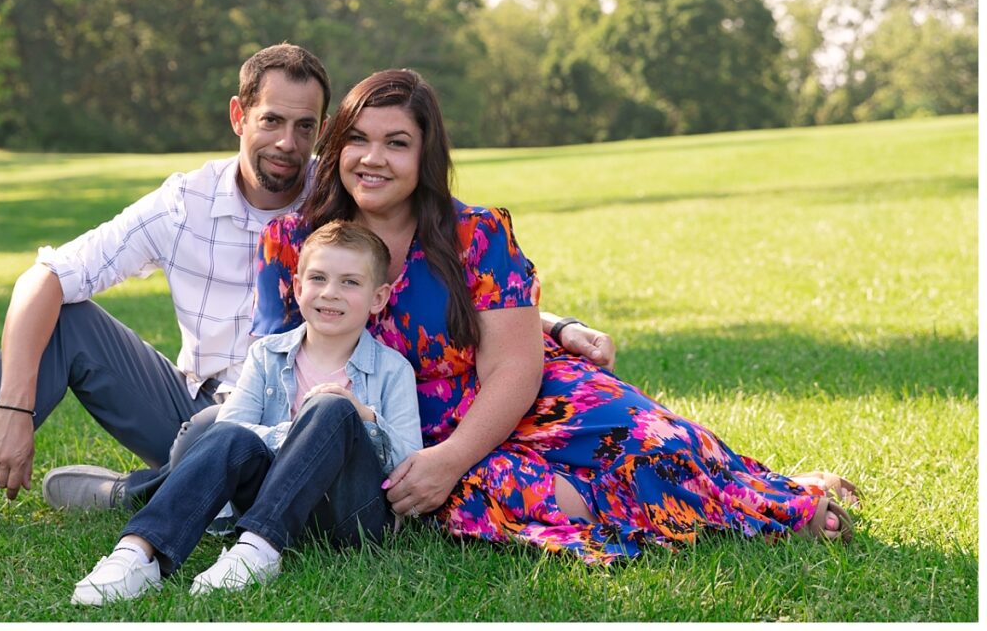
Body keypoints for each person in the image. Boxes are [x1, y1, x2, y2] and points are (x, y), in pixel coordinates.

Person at [0, 42, 620, 545]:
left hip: (310, 417)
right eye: (272, 121)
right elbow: (44, 276)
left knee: (281, 427)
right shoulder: (184, 202)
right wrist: (16, 408)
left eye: (306, 127)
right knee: (68, 314)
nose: (289, 143)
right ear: (238, 117)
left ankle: (140, 494)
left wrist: (554, 323)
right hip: (203, 410)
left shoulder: (343, 193)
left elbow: (427, 277)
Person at [254, 68, 859, 564]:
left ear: (425, 154)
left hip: (516, 397)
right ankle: (736, 501)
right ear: (337, 146)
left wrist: (453, 456)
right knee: (500, 496)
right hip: (406, 426)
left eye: (397, 142)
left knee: (654, 443)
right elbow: (278, 362)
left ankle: (768, 494)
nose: (372, 159)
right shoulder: (291, 241)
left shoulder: (475, 233)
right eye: (358, 138)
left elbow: (516, 365)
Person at [71, 220, 417, 604]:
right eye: (318, 278)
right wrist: (302, 435)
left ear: (378, 297)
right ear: (299, 287)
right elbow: (232, 433)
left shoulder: (393, 369)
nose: (331, 293)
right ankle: (137, 553)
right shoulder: (266, 355)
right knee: (230, 434)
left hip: (350, 517)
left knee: (332, 408)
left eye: (350, 282)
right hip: (272, 499)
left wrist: (359, 416)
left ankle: (258, 549)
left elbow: (409, 464)